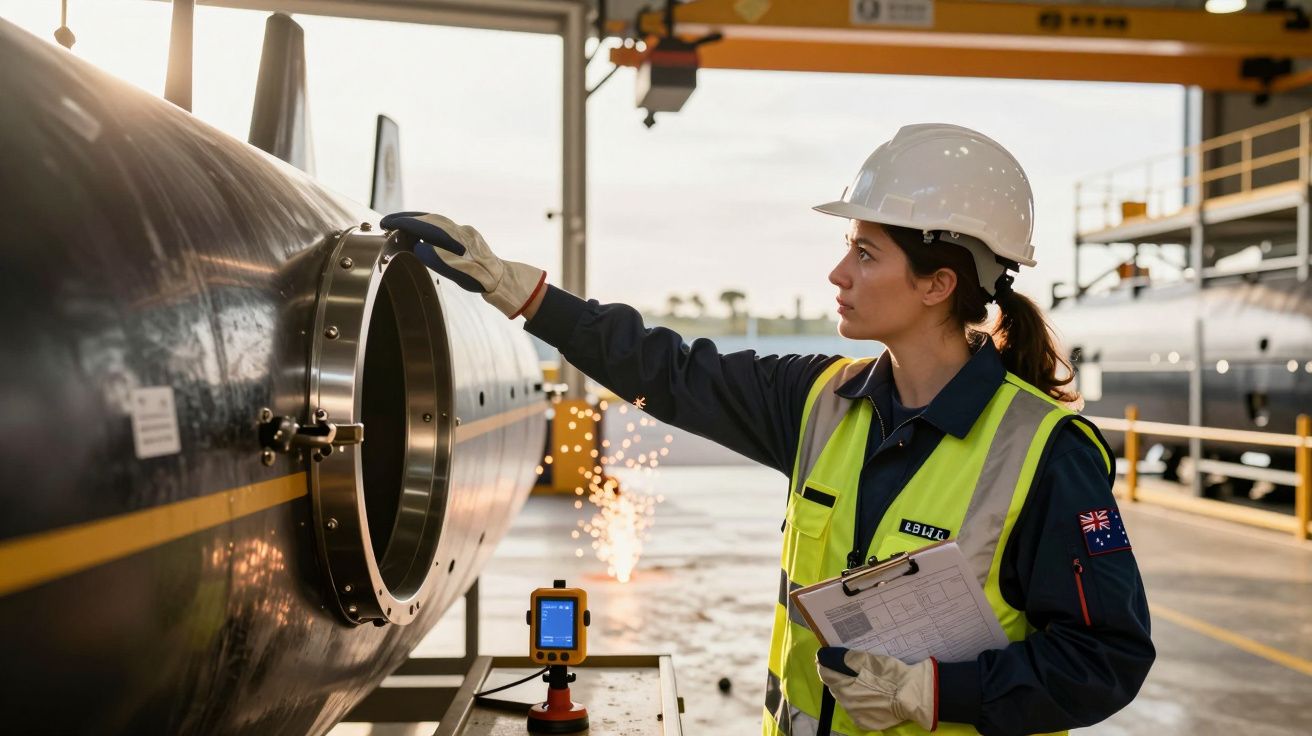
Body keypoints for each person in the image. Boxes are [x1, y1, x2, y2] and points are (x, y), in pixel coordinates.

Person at [381, 123, 1154, 736]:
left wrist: (937, 691)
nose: (837, 274)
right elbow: (671, 370)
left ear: (937, 283)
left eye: (864, 252)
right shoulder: (822, 400)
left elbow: (1106, 658)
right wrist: (524, 295)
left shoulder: (1043, 454)